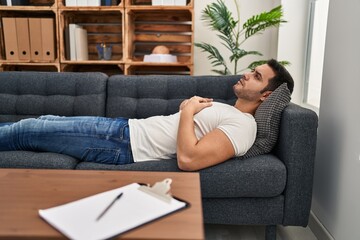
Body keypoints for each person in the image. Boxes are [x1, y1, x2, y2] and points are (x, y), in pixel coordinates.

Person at [0, 59, 294, 171]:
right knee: (41, 122)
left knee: (28, 131)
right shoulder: (230, 111)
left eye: (256, 76)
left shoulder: (244, 127)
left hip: (122, 145)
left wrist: (189, 111)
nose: (245, 75)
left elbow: (189, 159)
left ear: (266, 95)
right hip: (122, 129)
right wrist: (186, 113)